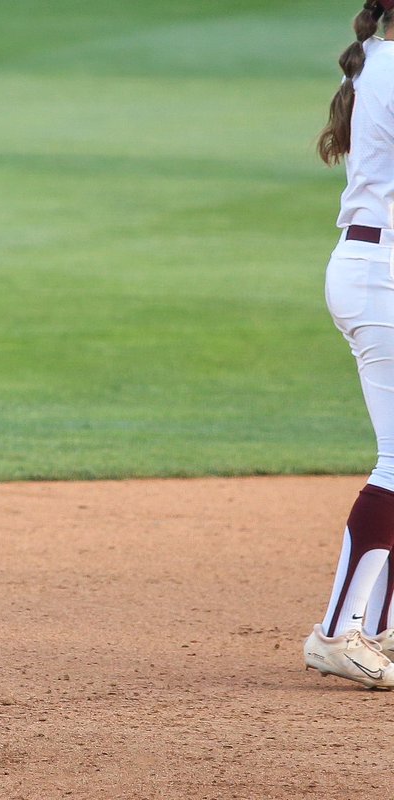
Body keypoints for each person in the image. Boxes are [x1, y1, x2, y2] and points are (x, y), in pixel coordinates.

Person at [303, 0, 394, 689]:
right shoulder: (392, 70)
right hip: (381, 276)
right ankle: (337, 633)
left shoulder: (380, 67)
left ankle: (378, 628)